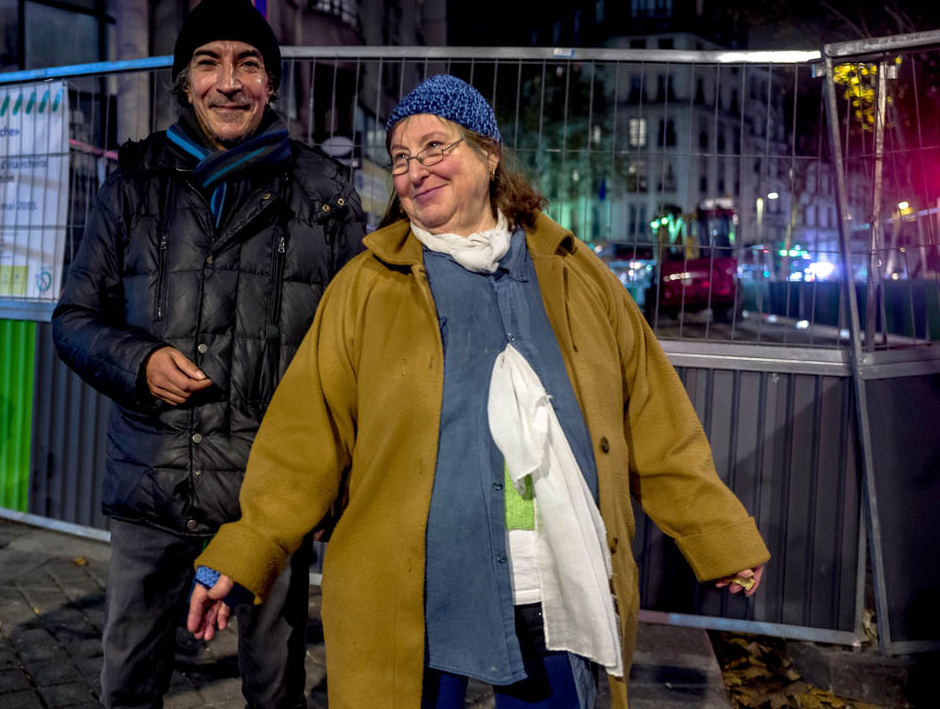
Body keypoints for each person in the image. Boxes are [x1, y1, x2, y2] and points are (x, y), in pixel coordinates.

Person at [187, 75, 770, 708]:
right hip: (416, 586)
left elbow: (655, 418)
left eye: (436, 147)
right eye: (402, 158)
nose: (415, 171)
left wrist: (717, 533)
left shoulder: (578, 275)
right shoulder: (367, 287)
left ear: (489, 154)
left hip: (550, 576)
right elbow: (305, 438)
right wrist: (246, 552)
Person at [51, 0, 365, 709]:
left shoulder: (325, 191)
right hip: (152, 481)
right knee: (127, 679)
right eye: (209, 62)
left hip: (268, 494)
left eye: (249, 63)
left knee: (275, 687)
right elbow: (72, 319)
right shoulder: (132, 183)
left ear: (272, 82)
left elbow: (362, 345)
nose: (229, 82)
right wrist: (139, 363)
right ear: (183, 81)